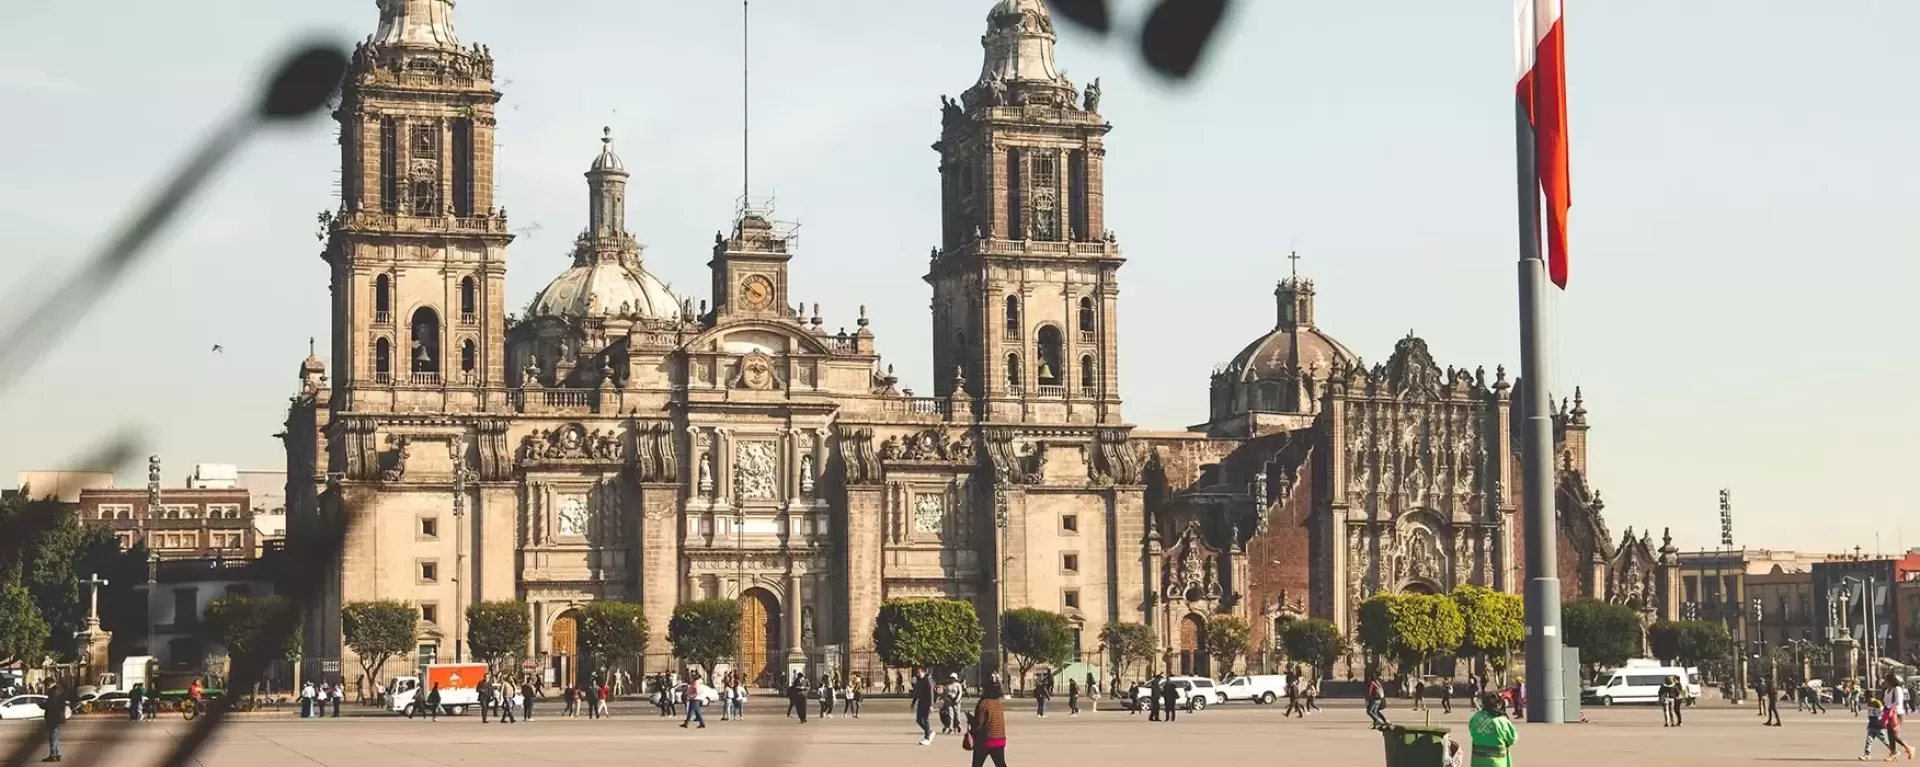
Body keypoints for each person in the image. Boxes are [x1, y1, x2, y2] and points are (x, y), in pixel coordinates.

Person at [967, 679, 1009, 767]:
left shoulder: (984, 703)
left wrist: (971, 720)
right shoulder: (999, 703)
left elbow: (980, 723)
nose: (981, 691)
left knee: (977, 764)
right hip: (1000, 739)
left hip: (986, 739)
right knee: (1001, 764)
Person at [1468, 692, 1517, 767]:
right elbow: (1512, 739)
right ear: (1498, 704)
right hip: (1498, 762)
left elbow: (1472, 732)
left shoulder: (1476, 717)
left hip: (1478, 761)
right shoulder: (1502, 721)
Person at [43, 682, 70, 762]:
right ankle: (57, 754)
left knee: (52, 736)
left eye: (46, 685)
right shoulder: (60, 690)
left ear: (49, 684)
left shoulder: (53, 692)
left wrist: (42, 705)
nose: (46, 688)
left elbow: (51, 705)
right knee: (55, 736)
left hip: (53, 717)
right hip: (58, 716)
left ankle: (53, 754)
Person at [911, 668, 934, 744]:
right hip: (921, 702)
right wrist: (913, 702)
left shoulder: (927, 680)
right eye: (917, 673)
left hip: (927, 703)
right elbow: (916, 692)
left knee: (926, 719)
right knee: (918, 720)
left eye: (919, 673)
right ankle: (929, 732)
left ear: (923, 672)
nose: (918, 675)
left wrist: (931, 705)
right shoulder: (919, 680)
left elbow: (931, 693)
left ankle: (927, 738)